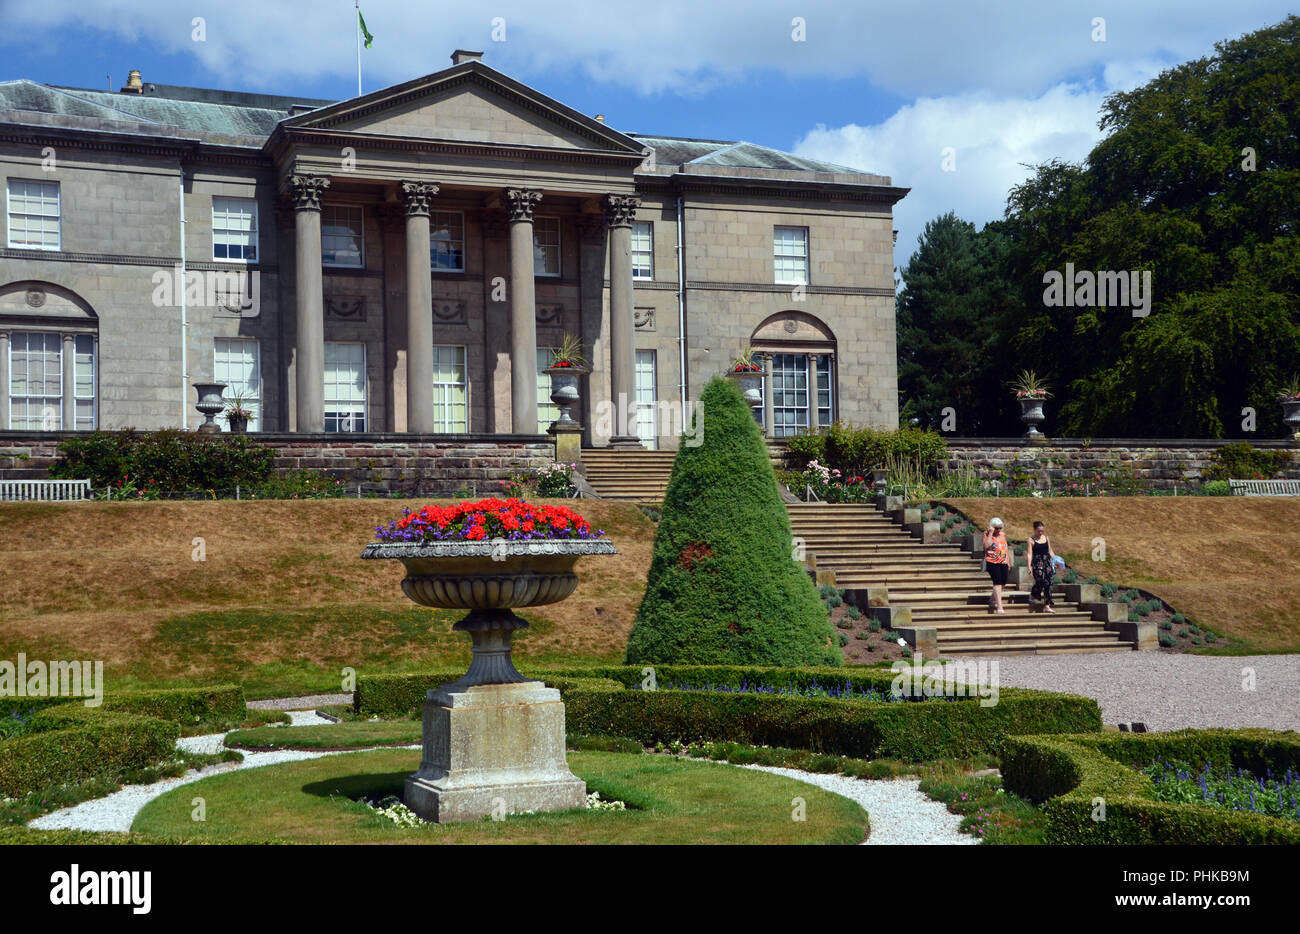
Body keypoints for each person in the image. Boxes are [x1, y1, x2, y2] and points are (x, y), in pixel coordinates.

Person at [983, 517, 1010, 614]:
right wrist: (990, 533)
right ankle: (1000, 606)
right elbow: (987, 546)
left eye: (1000, 528)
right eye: (996, 528)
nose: (998, 530)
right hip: (992, 561)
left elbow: (1005, 548)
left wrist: (1008, 561)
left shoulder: (1003, 534)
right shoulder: (987, 534)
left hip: (1003, 561)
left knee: (1003, 583)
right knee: (997, 582)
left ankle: (992, 598)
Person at [1029, 520, 1057, 613]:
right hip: (1037, 563)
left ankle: (1047, 605)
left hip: (1047, 563)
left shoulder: (1046, 538)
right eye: (1039, 531)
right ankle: (1033, 594)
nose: (1041, 533)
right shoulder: (1031, 540)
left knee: (1049, 583)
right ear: (1034, 530)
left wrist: (1056, 560)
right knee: (1040, 581)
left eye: (1042, 531)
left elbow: (1050, 550)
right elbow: (1029, 554)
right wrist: (1029, 566)